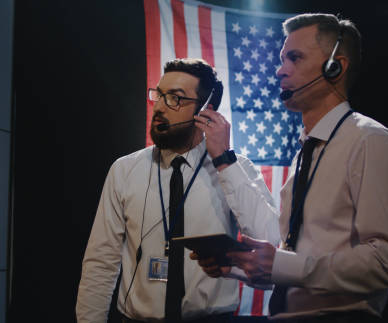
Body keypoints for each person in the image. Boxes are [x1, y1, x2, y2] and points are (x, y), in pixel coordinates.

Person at [194, 13, 388, 322]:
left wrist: (284, 266)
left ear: (335, 67)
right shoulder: (307, 152)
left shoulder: (370, 142)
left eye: (294, 58)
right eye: (283, 59)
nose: (280, 70)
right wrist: (244, 266)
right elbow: (306, 266)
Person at [76, 58, 280, 323]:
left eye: (175, 98)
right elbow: (100, 262)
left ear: (206, 110)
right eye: (159, 95)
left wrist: (223, 161)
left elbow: (269, 240)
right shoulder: (124, 170)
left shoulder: (235, 168)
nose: (160, 107)